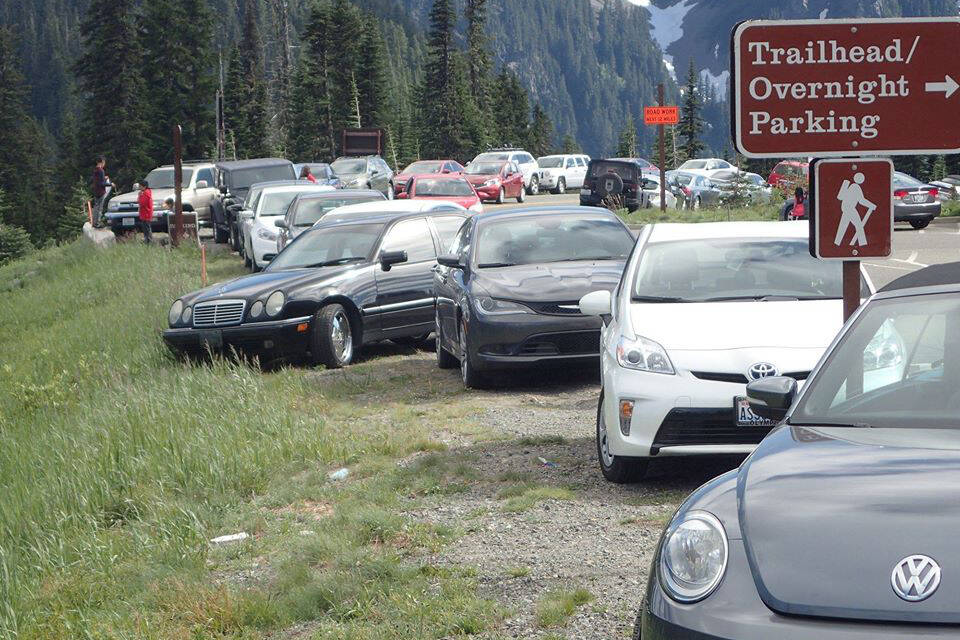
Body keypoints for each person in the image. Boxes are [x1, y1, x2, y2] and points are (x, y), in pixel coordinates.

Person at [91, 156, 111, 227]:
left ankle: (94, 222)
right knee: (99, 208)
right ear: (102, 162)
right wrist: (111, 184)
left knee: (96, 206)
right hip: (101, 191)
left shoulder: (95, 170)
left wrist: (104, 178)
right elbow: (102, 183)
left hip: (96, 190)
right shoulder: (101, 170)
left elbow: (98, 180)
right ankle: (97, 223)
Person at [137, 180, 154, 245]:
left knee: (147, 228)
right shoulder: (145, 193)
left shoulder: (146, 193)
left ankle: (149, 241)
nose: (139, 187)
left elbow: (142, 203)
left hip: (146, 213)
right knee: (145, 228)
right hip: (144, 213)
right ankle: (147, 240)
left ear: (144, 186)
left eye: (140, 186)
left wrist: (140, 196)